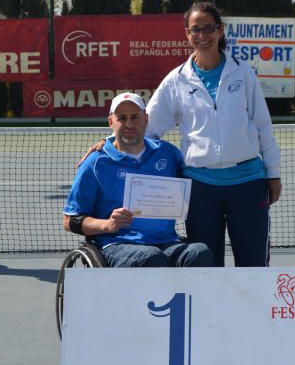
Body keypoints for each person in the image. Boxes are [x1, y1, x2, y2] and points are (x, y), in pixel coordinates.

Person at [146, 1, 282, 267]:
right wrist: (109, 145)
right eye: (195, 30)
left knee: (253, 265)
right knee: (206, 266)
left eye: (208, 28)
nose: (202, 36)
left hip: (248, 184)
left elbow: (263, 125)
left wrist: (273, 173)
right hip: (200, 189)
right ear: (187, 34)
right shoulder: (176, 80)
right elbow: (148, 128)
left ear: (220, 31)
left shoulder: (243, 73)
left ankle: (253, 311)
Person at [63, 92, 214, 268]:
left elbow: (194, 185)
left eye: (135, 117)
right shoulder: (95, 163)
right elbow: (69, 221)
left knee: (200, 253)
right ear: (111, 122)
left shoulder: (168, 153)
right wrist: (107, 225)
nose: (129, 124)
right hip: (117, 245)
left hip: (167, 242)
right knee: (151, 257)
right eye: (122, 118)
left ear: (146, 119)